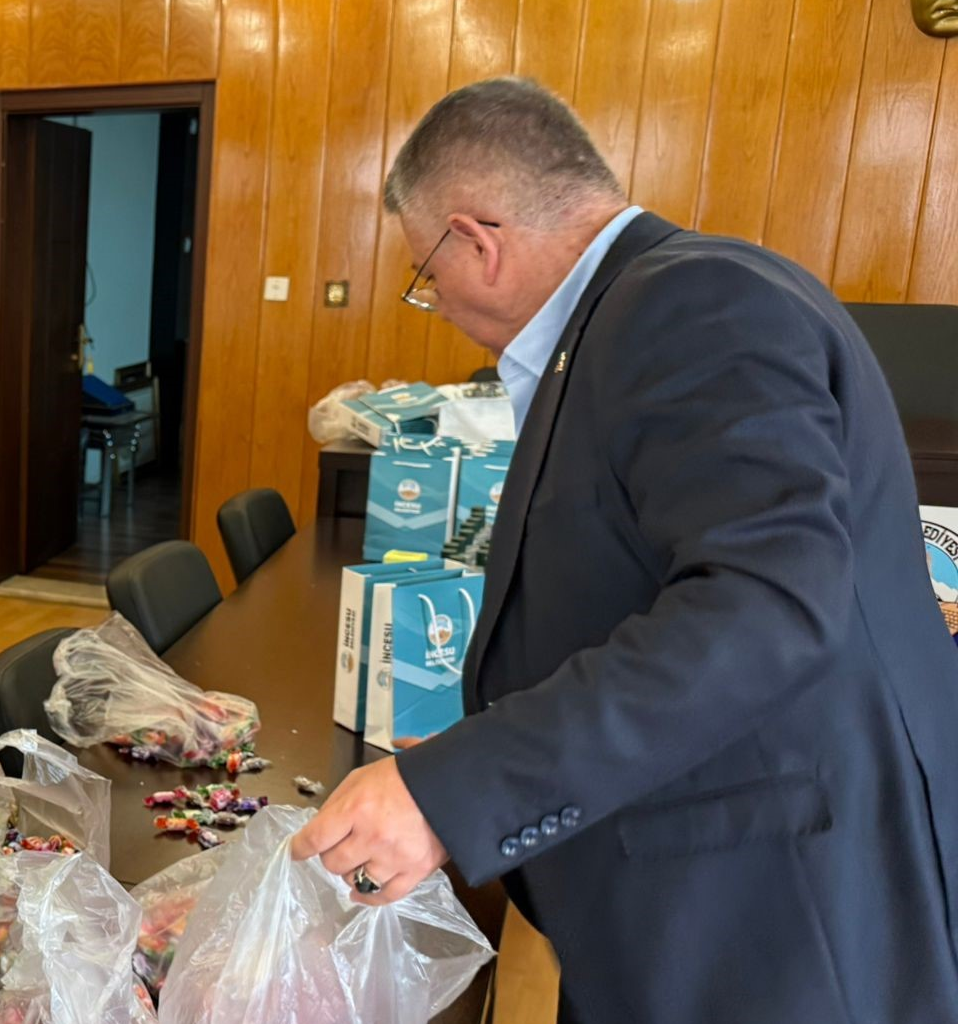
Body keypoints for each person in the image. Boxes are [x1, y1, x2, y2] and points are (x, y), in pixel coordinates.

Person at [292, 77, 958, 1022]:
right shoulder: (641, 311)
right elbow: (639, 581)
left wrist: (459, 789)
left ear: (474, 240)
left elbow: (764, 605)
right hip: (706, 858)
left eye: (424, 277)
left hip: (777, 910)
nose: (434, 302)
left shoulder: (692, 305)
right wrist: (491, 731)